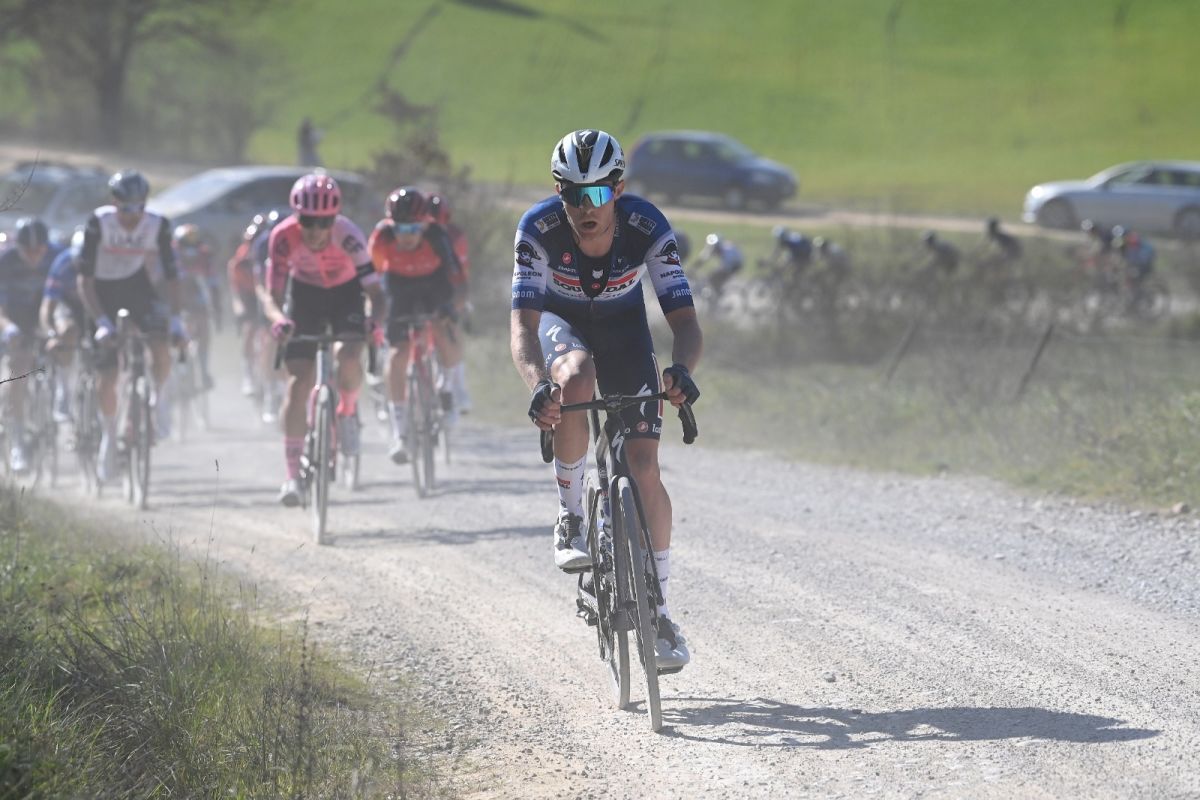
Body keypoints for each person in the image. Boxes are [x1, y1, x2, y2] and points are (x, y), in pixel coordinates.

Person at [511, 129, 702, 671]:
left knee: (644, 467)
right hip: (562, 325)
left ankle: (660, 613)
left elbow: (685, 323)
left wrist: (682, 371)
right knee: (576, 377)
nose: (585, 207)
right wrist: (538, 385)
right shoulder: (538, 229)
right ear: (559, 191)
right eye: (574, 194)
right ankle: (571, 517)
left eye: (597, 193)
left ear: (618, 190)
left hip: (624, 332)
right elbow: (523, 328)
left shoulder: (647, 227)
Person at [261, 173, 385, 507]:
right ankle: (291, 476)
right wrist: (278, 319)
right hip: (305, 297)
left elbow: (376, 293)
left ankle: (347, 411)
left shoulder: (349, 235)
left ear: (334, 219)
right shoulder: (283, 237)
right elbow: (272, 295)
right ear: (296, 216)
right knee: (298, 384)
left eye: (324, 222)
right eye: (307, 221)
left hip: (346, 295)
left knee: (349, 357)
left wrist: (374, 322)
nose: (315, 230)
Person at [76, 170, 185, 482]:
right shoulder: (98, 223)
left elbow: (173, 276)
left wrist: (176, 319)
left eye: (139, 207)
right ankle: (109, 438)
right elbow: (85, 281)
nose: (132, 216)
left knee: (160, 341)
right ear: (115, 203)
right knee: (108, 374)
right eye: (126, 208)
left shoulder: (158, 224)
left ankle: (159, 400)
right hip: (101, 293)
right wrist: (101, 321)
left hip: (136, 287)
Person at [368, 186, 462, 464]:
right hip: (398, 286)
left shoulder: (437, 236)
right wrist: (373, 316)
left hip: (434, 283)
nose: (406, 236)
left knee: (443, 329)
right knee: (398, 353)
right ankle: (399, 431)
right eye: (400, 228)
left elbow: (458, 280)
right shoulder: (381, 238)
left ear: (425, 224)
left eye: (413, 229)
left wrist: (452, 308)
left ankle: (446, 387)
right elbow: (370, 281)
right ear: (390, 224)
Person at [0, 217, 63, 472]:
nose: (35, 255)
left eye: (40, 250)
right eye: (29, 250)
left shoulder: (56, 256)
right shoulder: (5, 261)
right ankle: (18, 439)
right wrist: (8, 327)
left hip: (44, 314)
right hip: (13, 317)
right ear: (19, 246)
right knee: (19, 368)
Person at [228, 210, 282, 405]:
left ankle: (276, 380)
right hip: (250, 294)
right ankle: (248, 373)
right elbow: (236, 289)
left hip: (270, 291)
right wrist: (240, 308)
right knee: (250, 328)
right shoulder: (241, 258)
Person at [428, 192, 472, 414]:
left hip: (449, 284)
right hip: (421, 284)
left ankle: (458, 385)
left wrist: (460, 302)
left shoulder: (455, 237)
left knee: (451, 325)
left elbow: (461, 274)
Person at [40, 227, 87, 423]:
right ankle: (64, 390)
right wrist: (52, 333)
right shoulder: (62, 264)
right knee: (68, 330)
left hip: (95, 306)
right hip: (68, 306)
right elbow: (48, 306)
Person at [172, 224, 218, 390]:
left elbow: (213, 283)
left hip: (198, 297)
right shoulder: (172, 254)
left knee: (203, 329)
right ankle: (181, 365)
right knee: (180, 331)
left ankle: (203, 369)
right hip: (177, 297)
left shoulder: (205, 254)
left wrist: (217, 309)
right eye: (186, 244)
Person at [692, 232, 743, 297]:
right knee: (714, 279)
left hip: (735, 264)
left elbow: (726, 267)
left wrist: (694, 268)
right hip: (732, 263)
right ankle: (717, 293)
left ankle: (718, 295)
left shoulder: (726, 249)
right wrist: (694, 267)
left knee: (713, 277)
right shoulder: (717, 246)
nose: (713, 249)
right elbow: (703, 258)